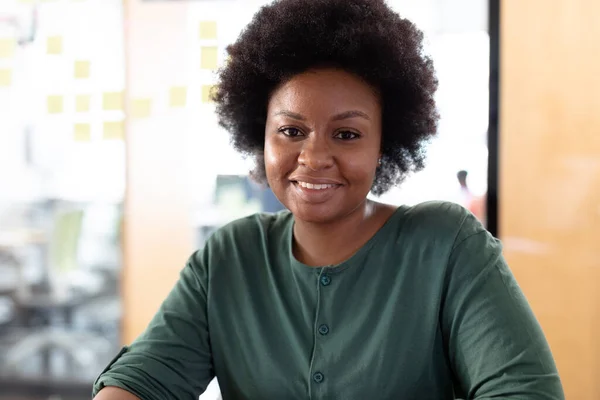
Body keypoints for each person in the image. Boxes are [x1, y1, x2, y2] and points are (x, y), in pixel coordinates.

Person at [93, 0, 564, 399]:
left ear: (384, 143)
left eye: (346, 133)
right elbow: (140, 379)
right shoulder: (229, 258)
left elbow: (523, 390)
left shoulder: (445, 245)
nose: (314, 157)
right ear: (261, 136)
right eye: (291, 131)